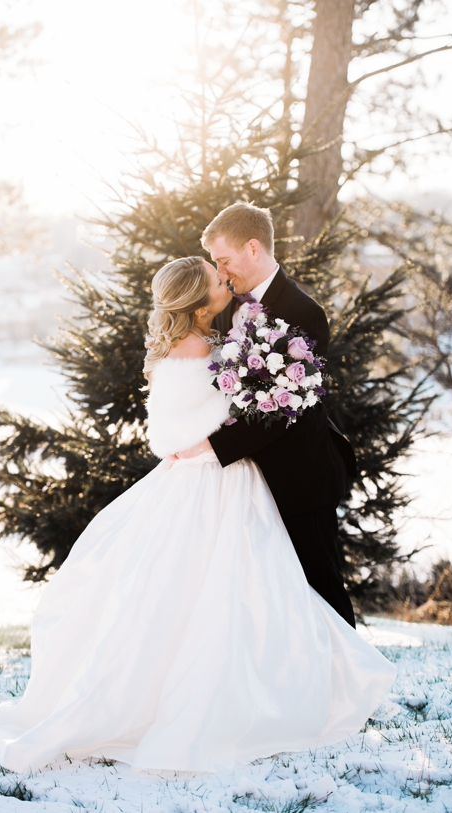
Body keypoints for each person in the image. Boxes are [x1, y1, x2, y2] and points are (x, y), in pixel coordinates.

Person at [0, 256, 396, 773]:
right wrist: (254, 390)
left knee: (230, 588)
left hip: (209, 475)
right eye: (218, 281)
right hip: (215, 483)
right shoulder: (199, 350)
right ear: (199, 304)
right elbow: (207, 420)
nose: (226, 282)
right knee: (232, 589)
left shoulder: (194, 344)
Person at [173, 202, 358, 628]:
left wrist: (210, 446)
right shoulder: (223, 306)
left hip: (299, 478)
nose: (220, 273)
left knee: (321, 588)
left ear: (252, 248)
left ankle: (352, 690)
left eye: (224, 260)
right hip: (242, 487)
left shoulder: (303, 313)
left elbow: (283, 411)